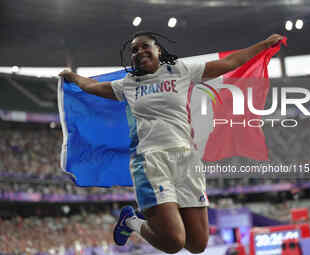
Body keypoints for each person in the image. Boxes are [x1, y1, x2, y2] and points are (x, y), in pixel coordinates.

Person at [59, 31, 284, 254]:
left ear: (158, 50)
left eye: (145, 46)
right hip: (151, 161)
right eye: (134, 50)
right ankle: (131, 222)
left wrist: (263, 45)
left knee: (197, 245)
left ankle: (139, 218)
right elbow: (93, 87)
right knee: (174, 242)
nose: (139, 52)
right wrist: (73, 77)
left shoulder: (179, 70)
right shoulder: (128, 84)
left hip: (186, 159)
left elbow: (229, 62)